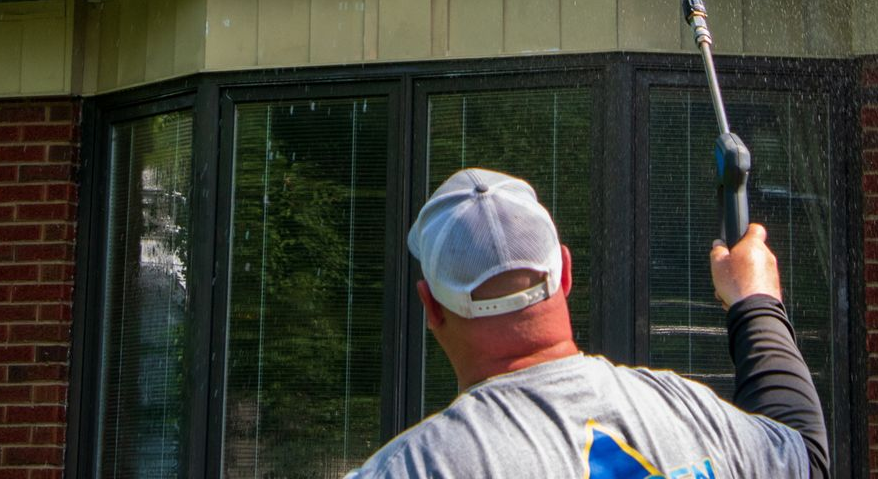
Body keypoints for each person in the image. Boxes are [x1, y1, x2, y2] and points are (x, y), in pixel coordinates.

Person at [345, 168, 829, 479]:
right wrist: (756, 301)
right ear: (566, 272)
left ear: (431, 307)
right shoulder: (689, 411)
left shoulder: (417, 467)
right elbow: (804, 457)